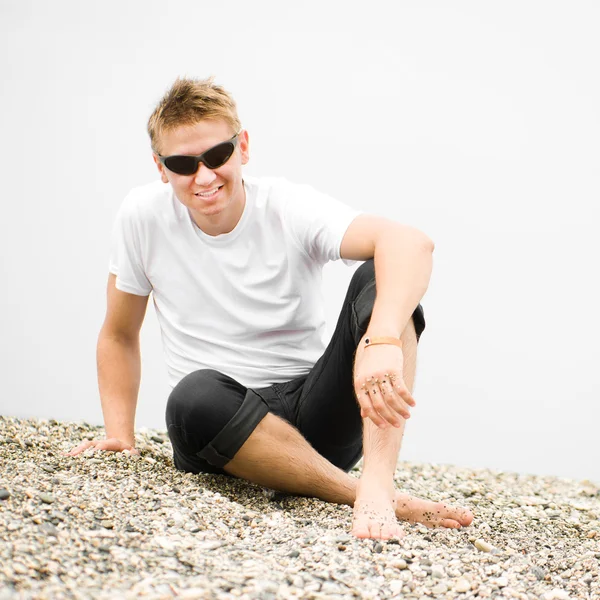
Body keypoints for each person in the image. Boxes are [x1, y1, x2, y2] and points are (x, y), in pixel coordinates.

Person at [66, 76, 474, 540]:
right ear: (161, 168)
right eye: (182, 164)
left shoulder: (285, 206)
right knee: (191, 396)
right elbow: (119, 333)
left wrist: (381, 339)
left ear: (242, 146)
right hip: (221, 431)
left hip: (316, 414)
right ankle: (357, 493)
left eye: (217, 156)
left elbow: (412, 243)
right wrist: (120, 435)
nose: (204, 177)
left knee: (381, 277)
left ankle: (377, 487)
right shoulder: (141, 215)